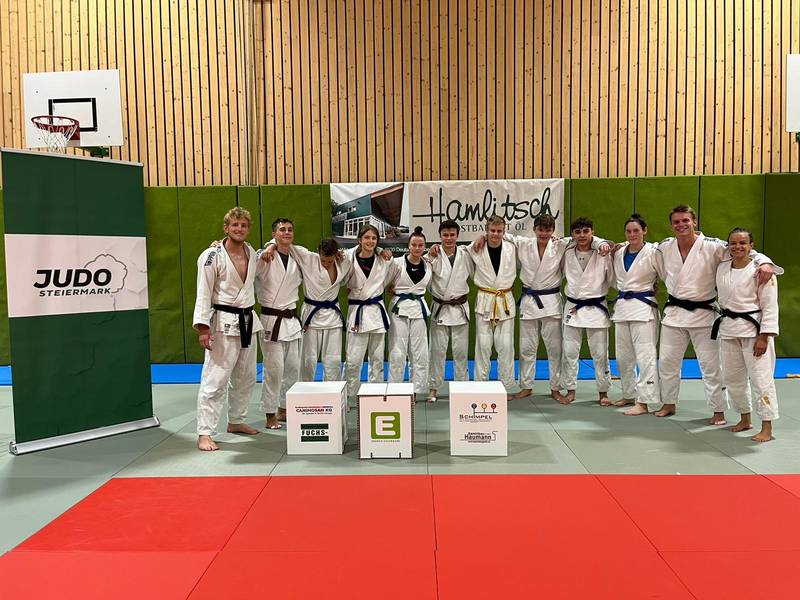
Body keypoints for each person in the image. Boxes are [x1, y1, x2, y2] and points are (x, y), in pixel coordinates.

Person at [654, 204, 781, 424]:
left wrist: (765, 261)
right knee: (667, 362)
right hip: (674, 313)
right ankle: (668, 402)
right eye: (676, 222)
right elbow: (641, 251)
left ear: (694, 221)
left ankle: (718, 410)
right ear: (671, 225)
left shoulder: (712, 246)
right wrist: (607, 245)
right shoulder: (665, 247)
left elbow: (741, 250)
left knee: (711, 367)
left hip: (704, 315)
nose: (681, 225)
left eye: (686, 220)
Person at [499, 214, 609, 402]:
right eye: (540, 230)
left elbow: (589, 239)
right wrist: (482, 237)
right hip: (529, 301)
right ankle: (526, 386)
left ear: (553, 231)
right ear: (534, 229)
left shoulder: (561, 244)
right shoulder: (524, 244)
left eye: (548, 230)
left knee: (555, 350)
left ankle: (555, 387)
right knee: (526, 348)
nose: (544, 233)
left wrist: (602, 243)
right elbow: (502, 235)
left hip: (551, 302)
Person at [192, 208, 262, 451]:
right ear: (226, 228)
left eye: (243, 225)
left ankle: (236, 421)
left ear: (248, 229)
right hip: (223, 323)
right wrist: (203, 328)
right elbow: (203, 291)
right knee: (215, 379)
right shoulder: (212, 256)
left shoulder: (252, 253)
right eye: (235, 225)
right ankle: (205, 432)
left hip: (248, 321)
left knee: (246, 377)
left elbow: (271, 251)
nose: (239, 229)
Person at [715, 228, 779, 442]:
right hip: (728, 328)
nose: (738, 247)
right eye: (733, 243)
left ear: (752, 245)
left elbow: (770, 306)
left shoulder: (762, 271)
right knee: (733, 379)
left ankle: (767, 427)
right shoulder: (722, 267)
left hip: (754, 331)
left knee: (761, 379)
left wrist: (764, 336)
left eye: (743, 243)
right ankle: (745, 418)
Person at [263, 237, 351, 383]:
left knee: (334, 361)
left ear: (336, 254)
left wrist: (381, 250)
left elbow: (363, 249)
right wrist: (270, 246)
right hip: (312, 316)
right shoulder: (308, 258)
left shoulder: (343, 261)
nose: (326, 264)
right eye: (323, 260)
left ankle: (332, 393)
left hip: (333, 317)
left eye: (330, 261)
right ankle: (304, 393)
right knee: (308, 361)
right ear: (318, 252)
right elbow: (285, 244)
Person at [609, 214, 661, 415]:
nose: (632, 235)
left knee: (645, 356)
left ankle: (645, 401)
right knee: (623, 357)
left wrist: (655, 286)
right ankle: (629, 393)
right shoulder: (619, 252)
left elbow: (666, 273)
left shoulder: (653, 252)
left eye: (636, 231)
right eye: (629, 231)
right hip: (623, 307)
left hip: (643, 308)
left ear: (644, 231)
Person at [256, 218, 303, 429]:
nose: (287, 233)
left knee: (293, 368)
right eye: (282, 230)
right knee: (274, 370)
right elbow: (249, 267)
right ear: (274, 234)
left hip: (291, 321)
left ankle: (284, 408)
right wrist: (268, 248)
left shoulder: (297, 256)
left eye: (290, 229)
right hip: (272, 320)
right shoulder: (264, 256)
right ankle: (270, 413)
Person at [560, 217, 613, 405]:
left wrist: (602, 243)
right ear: (572, 235)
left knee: (600, 353)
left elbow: (612, 278)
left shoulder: (603, 253)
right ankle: (570, 390)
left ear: (592, 232)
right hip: (573, 307)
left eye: (586, 231)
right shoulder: (567, 251)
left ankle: (603, 392)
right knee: (569, 352)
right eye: (577, 232)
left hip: (596, 307)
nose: (582, 235)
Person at [467, 215, 518, 397]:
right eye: (492, 231)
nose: (495, 234)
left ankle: (506, 387)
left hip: (504, 300)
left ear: (504, 231)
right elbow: (454, 252)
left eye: (499, 231)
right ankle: (481, 387)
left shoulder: (513, 248)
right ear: (486, 230)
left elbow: (533, 244)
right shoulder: (474, 248)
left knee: (506, 346)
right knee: (483, 346)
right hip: (485, 300)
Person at [343, 225, 395, 399]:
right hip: (357, 313)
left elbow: (395, 275)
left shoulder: (384, 260)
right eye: (367, 237)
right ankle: (350, 396)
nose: (370, 241)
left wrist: (393, 287)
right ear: (359, 239)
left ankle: (375, 395)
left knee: (377, 359)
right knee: (353, 360)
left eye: (374, 238)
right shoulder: (348, 258)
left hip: (376, 313)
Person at [426, 220, 473, 402]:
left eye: (452, 234)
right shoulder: (432, 255)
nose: (449, 238)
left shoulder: (465, 254)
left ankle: (462, 387)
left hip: (459, 309)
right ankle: (434, 387)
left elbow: (484, 243)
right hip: (441, 308)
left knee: (461, 352)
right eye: (445, 235)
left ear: (457, 236)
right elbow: (423, 277)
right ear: (439, 236)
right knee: (437, 351)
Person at [387, 226, 432, 398]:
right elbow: (384, 280)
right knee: (397, 351)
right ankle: (395, 389)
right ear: (408, 246)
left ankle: (417, 389)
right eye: (414, 245)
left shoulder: (428, 265)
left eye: (420, 245)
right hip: (399, 309)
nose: (417, 248)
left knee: (420, 351)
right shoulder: (397, 263)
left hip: (419, 309)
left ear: (425, 247)